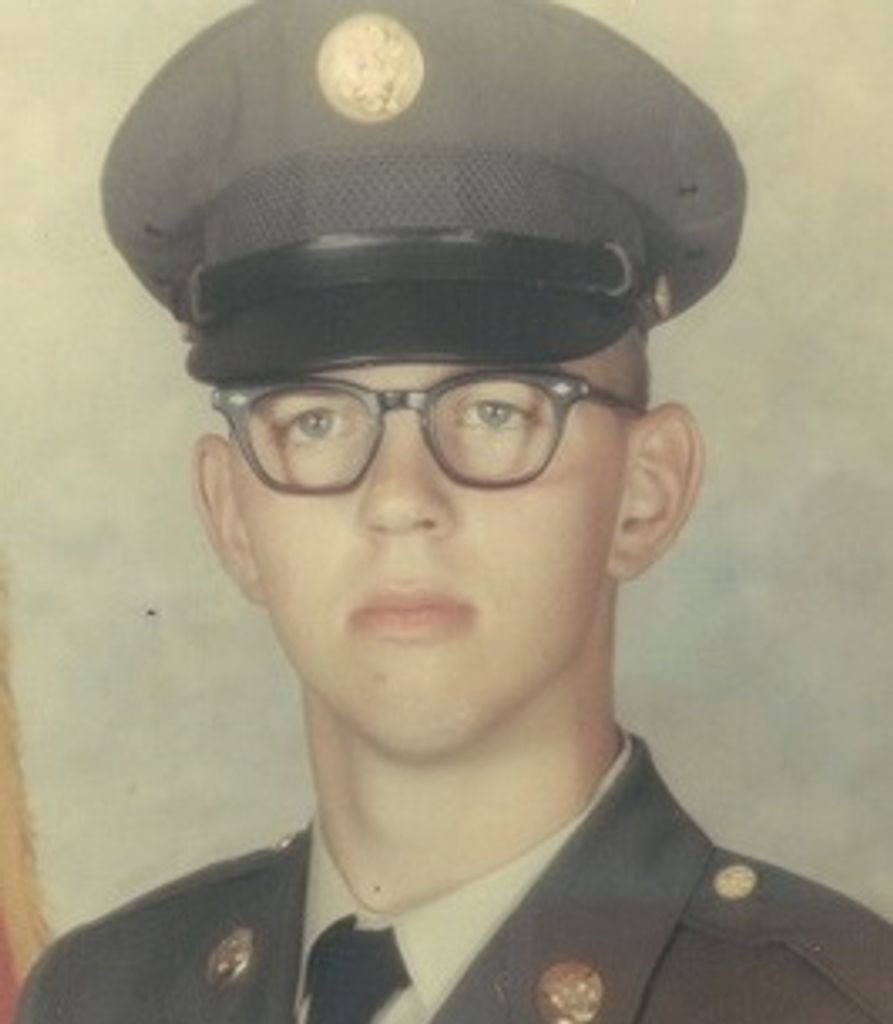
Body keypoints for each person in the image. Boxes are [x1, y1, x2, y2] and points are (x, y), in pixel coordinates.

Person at [16, 1, 893, 1022]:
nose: (400, 500)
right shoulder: (100, 998)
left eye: (492, 410)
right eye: (314, 421)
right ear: (230, 514)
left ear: (645, 491)